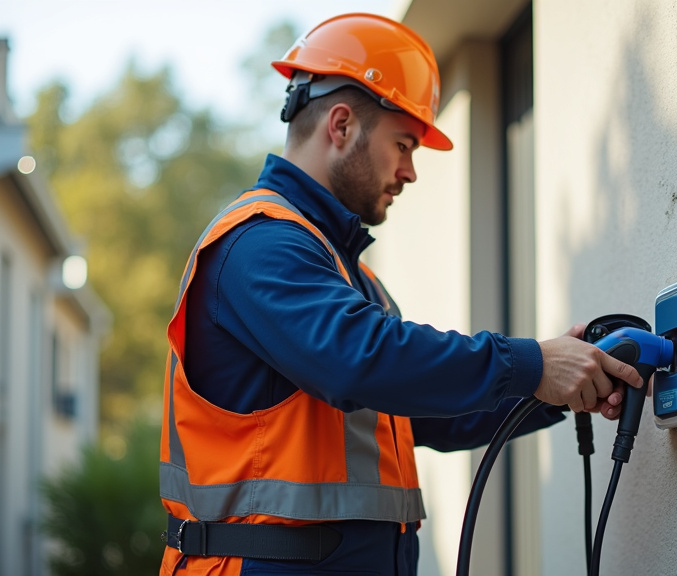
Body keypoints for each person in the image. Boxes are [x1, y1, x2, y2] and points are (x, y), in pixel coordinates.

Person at [158, 13, 642, 576]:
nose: (410, 171)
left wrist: (561, 383)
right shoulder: (258, 244)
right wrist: (533, 363)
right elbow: (360, 361)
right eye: (403, 144)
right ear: (340, 126)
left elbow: (428, 416)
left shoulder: (345, 275)